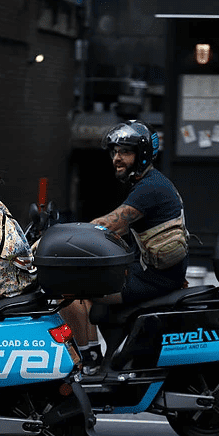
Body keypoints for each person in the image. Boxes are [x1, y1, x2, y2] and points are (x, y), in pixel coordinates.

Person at [60, 120, 189, 373]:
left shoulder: (150, 188)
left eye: (125, 152)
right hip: (148, 270)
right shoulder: (150, 182)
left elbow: (107, 225)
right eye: (115, 152)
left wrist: (61, 238)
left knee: (70, 290)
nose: (116, 158)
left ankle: (90, 361)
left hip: (154, 278)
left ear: (141, 156)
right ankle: (109, 351)